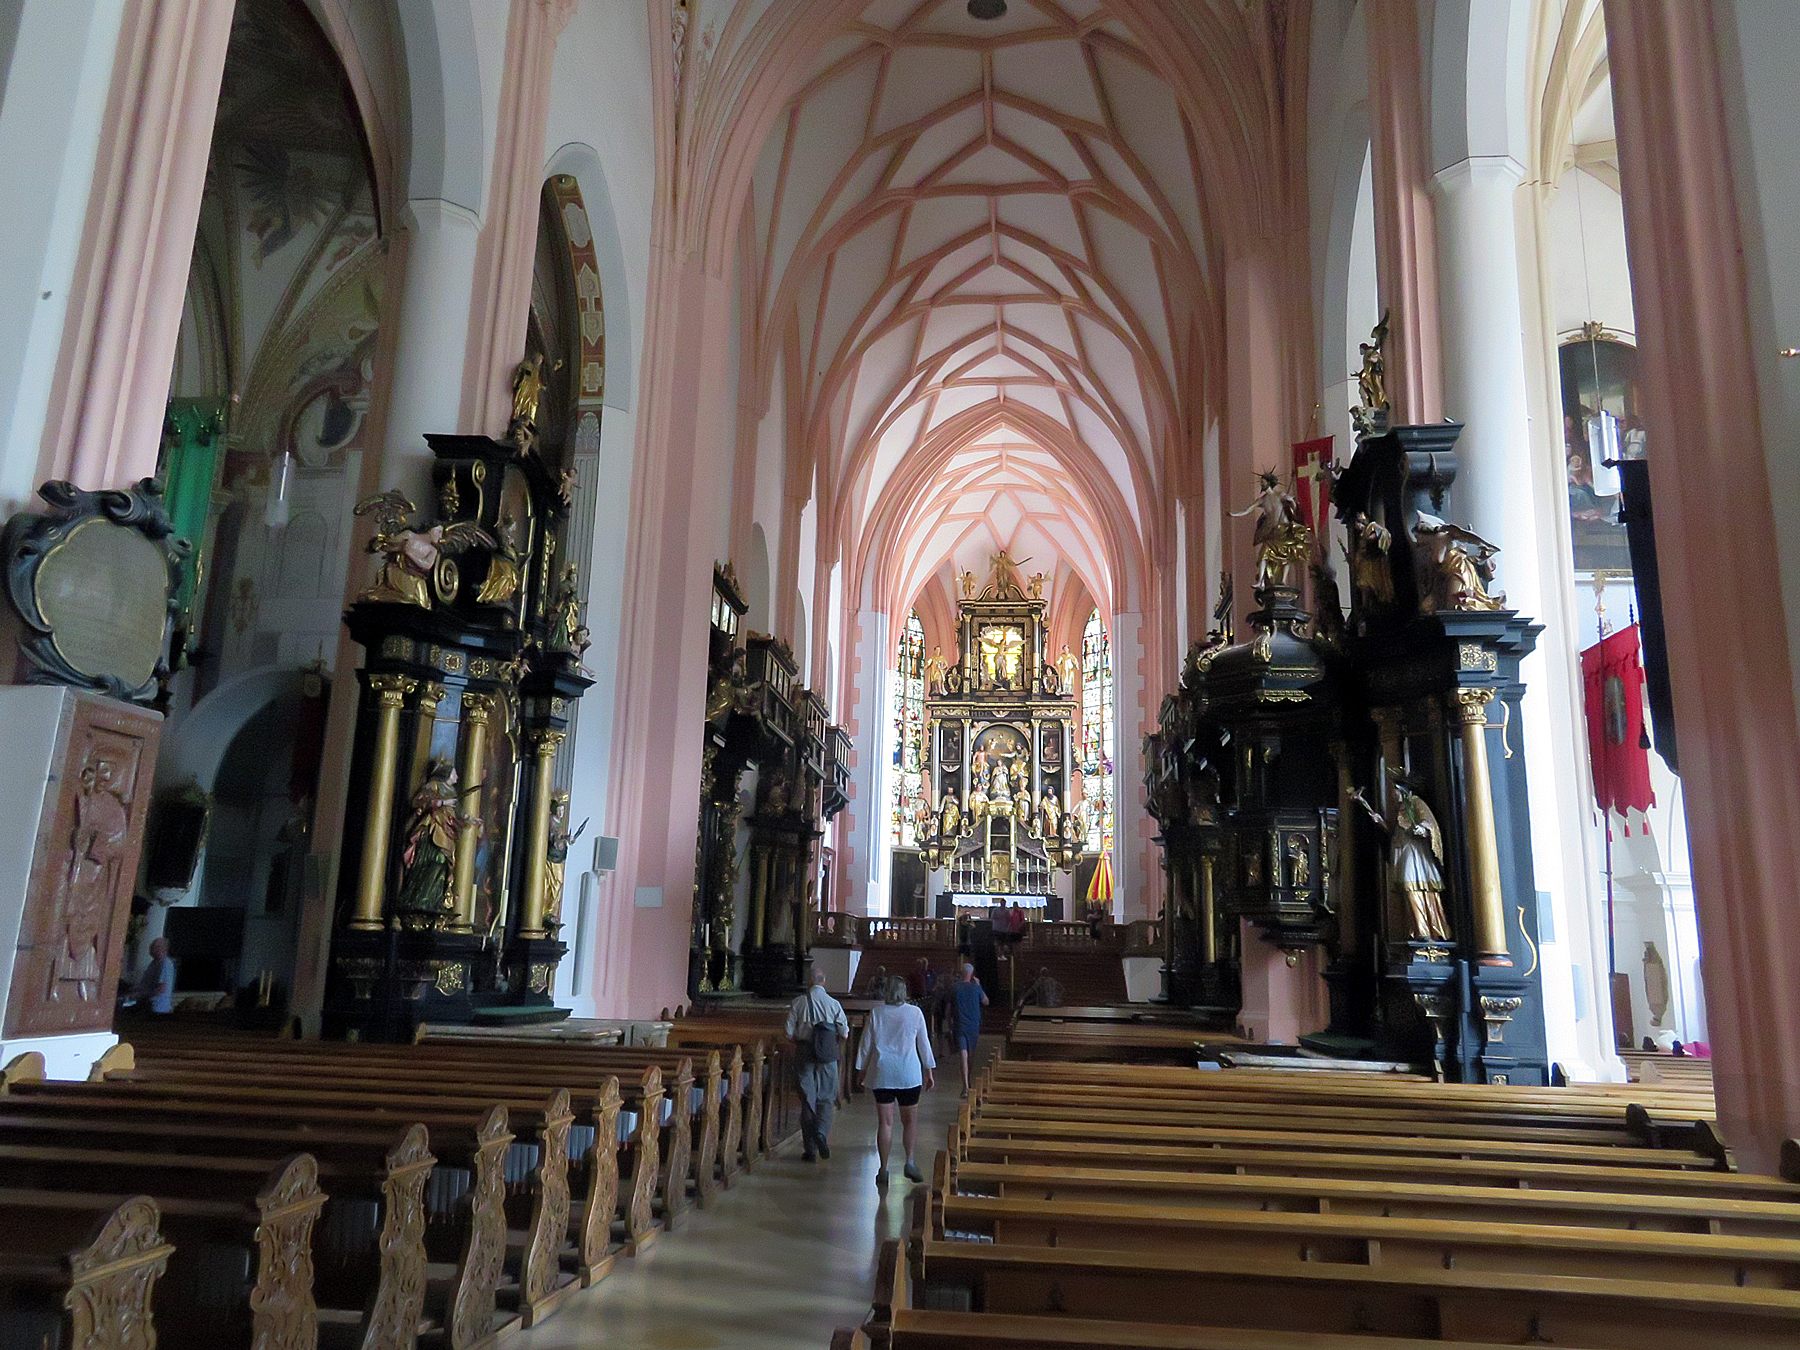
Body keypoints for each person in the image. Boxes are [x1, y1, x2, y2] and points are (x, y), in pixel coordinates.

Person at [856, 976, 936, 1186]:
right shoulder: (915, 1013)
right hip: (908, 1073)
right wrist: (929, 1070)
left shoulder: (877, 1013)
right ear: (904, 992)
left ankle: (883, 1169)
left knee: (886, 1123)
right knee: (910, 1121)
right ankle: (909, 1162)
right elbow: (924, 1044)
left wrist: (861, 1069)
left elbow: (866, 1044)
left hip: (883, 1073)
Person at [785, 965, 849, 1162]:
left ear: (809, 981)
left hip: (805, 1053)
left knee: (807, 1099)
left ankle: (810, 1149)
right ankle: (821, 1133)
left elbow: (788, 1032)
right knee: (826, 1098)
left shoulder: (799, 1002)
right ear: (823, 981)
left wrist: (801, 1041)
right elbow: (844, 1033)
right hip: (828, 1055)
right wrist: (831, 1044)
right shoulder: (833, 1003)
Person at [951, 961, 989, 1094]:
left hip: (960, 1024)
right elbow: (985, 1001)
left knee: (963, 1054)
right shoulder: (976, 987)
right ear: (972, 974)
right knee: (971, 1054)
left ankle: (965, 1086)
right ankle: (968, 1080)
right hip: (973, 1024)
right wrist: (978, 985)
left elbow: (949, 1006)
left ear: (961, 973)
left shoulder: (955, 987)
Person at [135, 936, 175, 1014]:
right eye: (152, 947)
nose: (152, 950)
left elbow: (161, 989)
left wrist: (142, 994)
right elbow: (145, 984)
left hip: (158, 1008)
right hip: (149, 1004)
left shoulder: (166, 964)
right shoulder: (153, 964)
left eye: (155, 947)